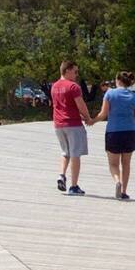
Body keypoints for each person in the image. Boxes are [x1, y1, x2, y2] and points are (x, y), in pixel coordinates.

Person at [94, 72, 135, 201]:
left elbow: (103, 114)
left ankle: (117, 181)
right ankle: (124, 191)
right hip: (130, 132)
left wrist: (91, 121)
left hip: (113, 132)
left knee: (113, 164)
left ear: (118, 80)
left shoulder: (110, 94)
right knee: (126, 164)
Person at [52, 61, 94, 196]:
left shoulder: (54, 86)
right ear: (68, 70)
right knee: (76, 154)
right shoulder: (73, 87)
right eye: (75, 71)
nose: (76, 75)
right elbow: (80, 104)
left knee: (65, 152)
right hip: (73, 124)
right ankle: (74, 186)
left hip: (58, 124)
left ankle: (61, 175)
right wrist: (87, 117)